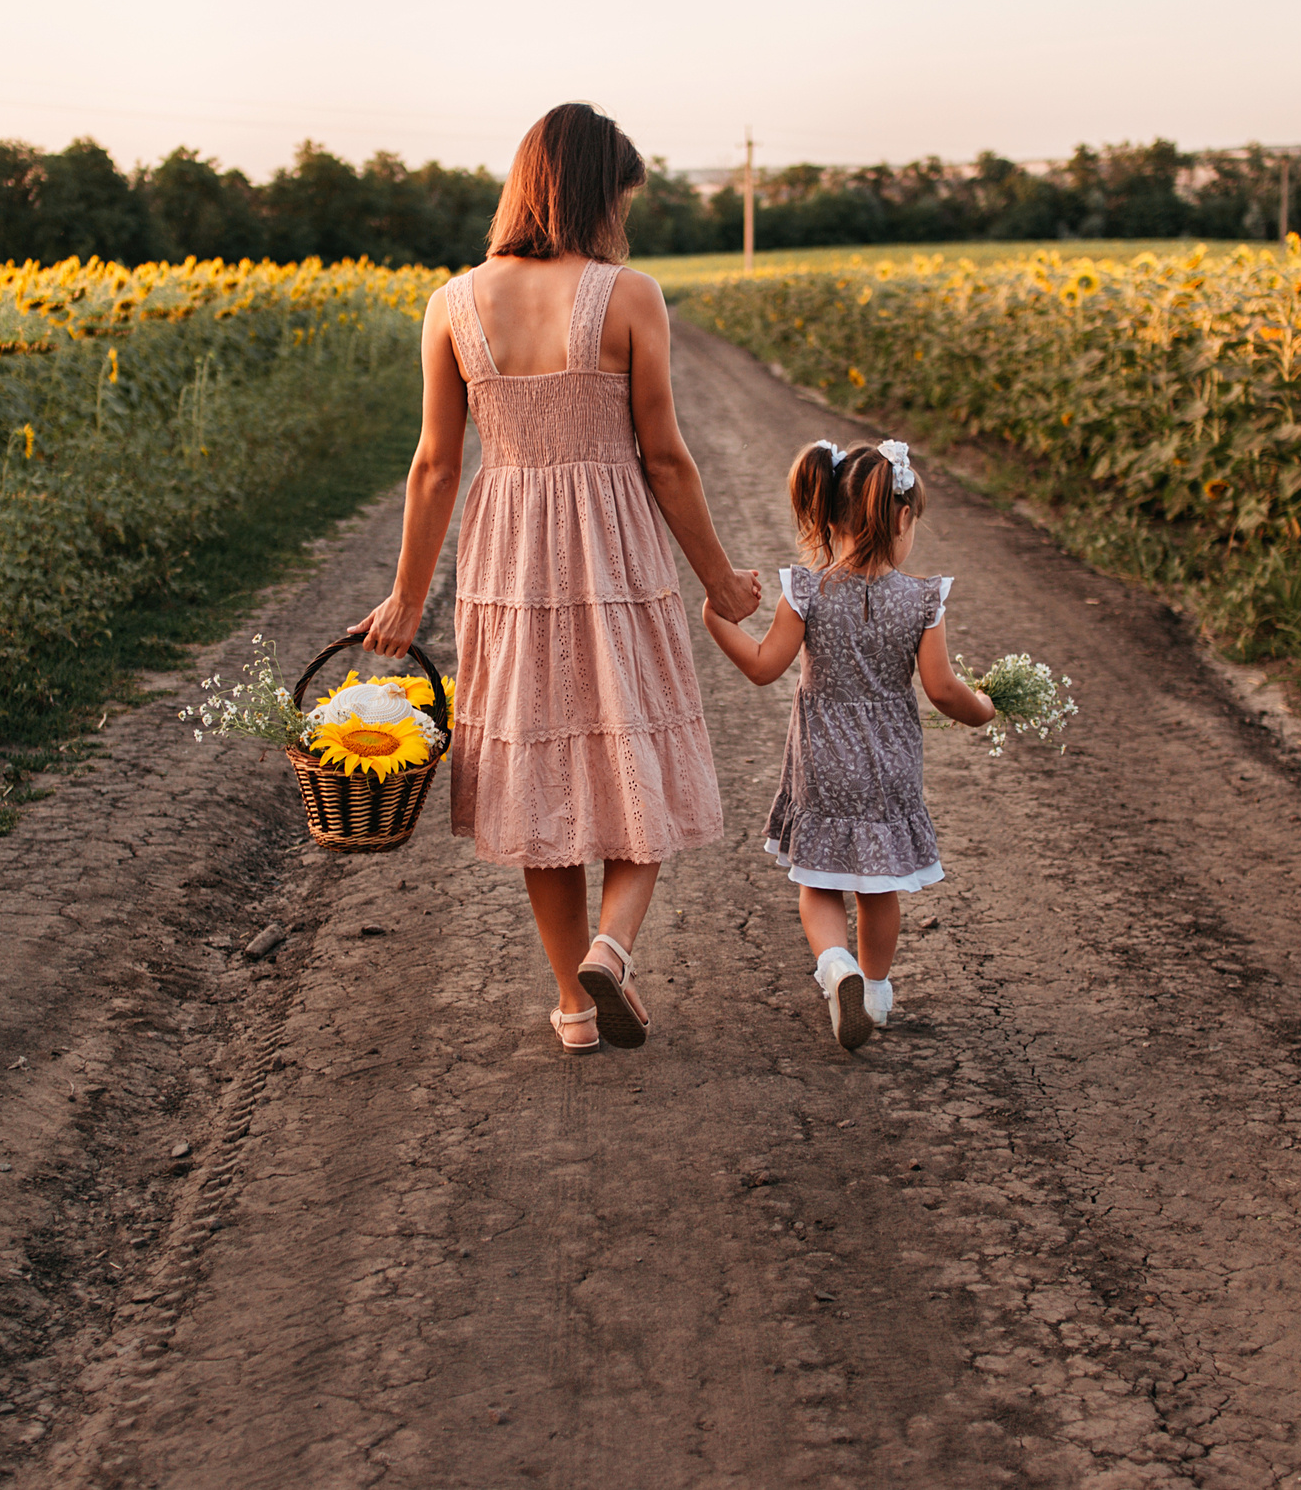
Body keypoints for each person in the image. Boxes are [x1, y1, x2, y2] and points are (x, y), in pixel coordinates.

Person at [353, 103, 760, 1054]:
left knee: (540, 772)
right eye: (621, 196)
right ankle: (611, 950)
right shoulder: (629, 295)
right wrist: (720, 582)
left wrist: (410, 598)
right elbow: (665, 459)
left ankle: (574, 1011)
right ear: (594, 192)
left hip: (509, 557)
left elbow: (435, 467)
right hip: (613, 551)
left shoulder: (452, 303)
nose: (626, 216)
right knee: (638, 747)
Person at [701, 439, 994, 1051]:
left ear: (829, 516)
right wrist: (984, 708)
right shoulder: (922, 600)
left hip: (823, 760)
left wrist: (717, 620)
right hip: (889, 764)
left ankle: (838, 968)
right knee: (879, 883)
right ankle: (878, 991)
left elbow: (762, 667)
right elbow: (942, 690)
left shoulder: (806, 591)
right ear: (903, 517)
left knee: (821, 883)